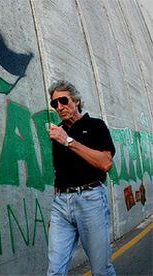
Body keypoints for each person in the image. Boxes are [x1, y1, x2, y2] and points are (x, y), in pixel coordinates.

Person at [47, 80, 116, 276]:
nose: (59, 107)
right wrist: (54, 208)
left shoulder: (95, 125)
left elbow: (105, 163)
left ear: (76, 101)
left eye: (63, 101)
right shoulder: (59, 131)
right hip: (61, 205)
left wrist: (68, 141)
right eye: (55, 104)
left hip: (90, 200)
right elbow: (59, 171)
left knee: (100, 270)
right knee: (54, 271)